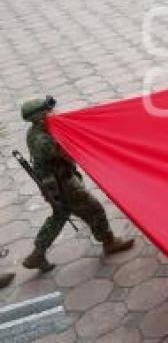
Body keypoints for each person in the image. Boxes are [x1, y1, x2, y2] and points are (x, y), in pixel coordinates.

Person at [20, 96, 135, 272]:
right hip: (62, 184)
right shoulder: (41, 139)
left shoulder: (39, 130)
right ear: (38, 117)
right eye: (47, 111)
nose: (52, 112)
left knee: (60, 215)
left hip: (57, 182)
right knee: (94, 209)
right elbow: (67, 153)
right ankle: (109, 242)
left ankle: (37, 254)